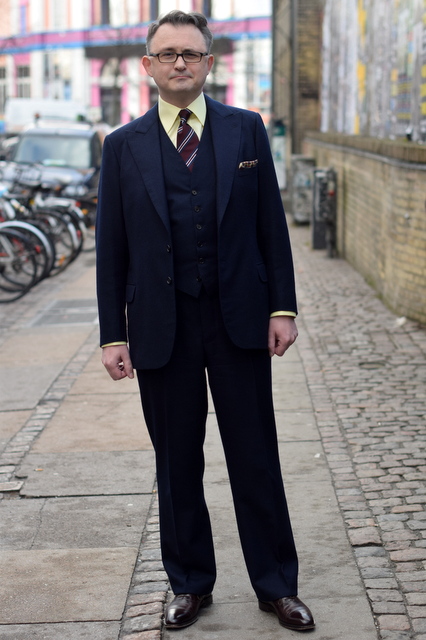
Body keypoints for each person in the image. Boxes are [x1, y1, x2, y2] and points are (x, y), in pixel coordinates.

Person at [96, 10, 315, 633]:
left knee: (256, 456)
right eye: (167, 54)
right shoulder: (121, 146)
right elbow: (112, 250)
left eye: (190, 54)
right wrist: (114, 334)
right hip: (162, 328)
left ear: (209, 63)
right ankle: (190, 583)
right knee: (177, 464)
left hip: (240, 321)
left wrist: (282, 307)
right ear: (148, 66)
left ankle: (276, 585)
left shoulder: (246, 132)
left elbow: (272, 228)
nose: (179, 63)